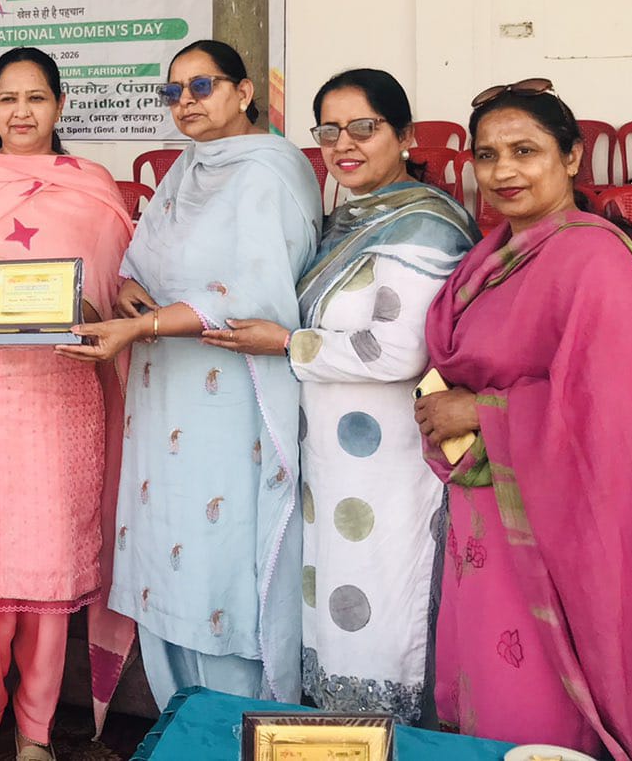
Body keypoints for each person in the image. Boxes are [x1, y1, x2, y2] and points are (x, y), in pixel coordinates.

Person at [413, 80, 632, 758]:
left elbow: (614, 412)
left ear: (571, 157)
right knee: (491, 685)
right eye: (487, 155)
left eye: (525, 150)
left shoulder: (594, 261)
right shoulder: (490, 255)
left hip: (563, 521)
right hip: (489, 512)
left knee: (541, 701)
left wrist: (481, 410)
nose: (503, 171)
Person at [203, 68, 477, 722]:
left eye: (363, 127)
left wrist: (285, 344)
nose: (343, 144)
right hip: (329, 460)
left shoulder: (424, 225)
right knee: (334, 600)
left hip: (390, 466)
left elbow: (395, 350)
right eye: (329, 131)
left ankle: (391, 736)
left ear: (405, 135)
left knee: (383, 605)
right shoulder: (347, 221)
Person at [59, 40, 320, 707]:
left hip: (232, 397)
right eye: (172, 92)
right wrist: (130, 292)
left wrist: (142, 327)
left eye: (201, 87)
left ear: (244, 92)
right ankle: (181, 722)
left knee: (217, 557)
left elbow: (255, 293)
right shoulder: (187, 166)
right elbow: (144, 257)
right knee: (167, 548)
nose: (185, 103)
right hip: (166, 390)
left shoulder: (270, 170)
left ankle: (236, 722)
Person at [0, 48, 137, 761]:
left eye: (36, 97)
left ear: (60, 105)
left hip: (61, 400)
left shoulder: (94, 187)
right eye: (7, 98)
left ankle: (35, 733)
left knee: (50, 558)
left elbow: (120, 287)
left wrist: (95, 312)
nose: (21, 112)